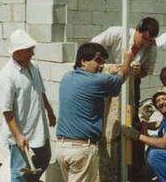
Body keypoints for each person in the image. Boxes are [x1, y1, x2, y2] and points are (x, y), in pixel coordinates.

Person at [55, 42, 136, 182]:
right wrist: (128, 58)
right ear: (83, 61)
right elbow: (121, 78)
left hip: (62, 148)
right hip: (81, 150)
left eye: (103, 62)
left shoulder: (67, 77)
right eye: (97, 60)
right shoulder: (97, 81)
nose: (101, 65)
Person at [0, 29, 56, 182]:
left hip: (38, 127)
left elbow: (41, 91)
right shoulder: (7, 75)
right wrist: (18, 135)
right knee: (20, 172)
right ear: (18, 51)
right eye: (29, 50)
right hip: (21, 132)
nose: (32, 54)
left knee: (44, 158)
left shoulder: (33, 67)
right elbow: (7, 110)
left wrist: (49, 111)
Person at [91, 17, 159, 106]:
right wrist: (104, 65)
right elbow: (91, 47)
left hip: (131, 82)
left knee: (131, 112)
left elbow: (146, 72)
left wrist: (139, 71)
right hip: (106, 75)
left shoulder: (152, 48)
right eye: (144, 38)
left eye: (150, 41)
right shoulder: (117, 33)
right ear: (137, 29)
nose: (146, 43)